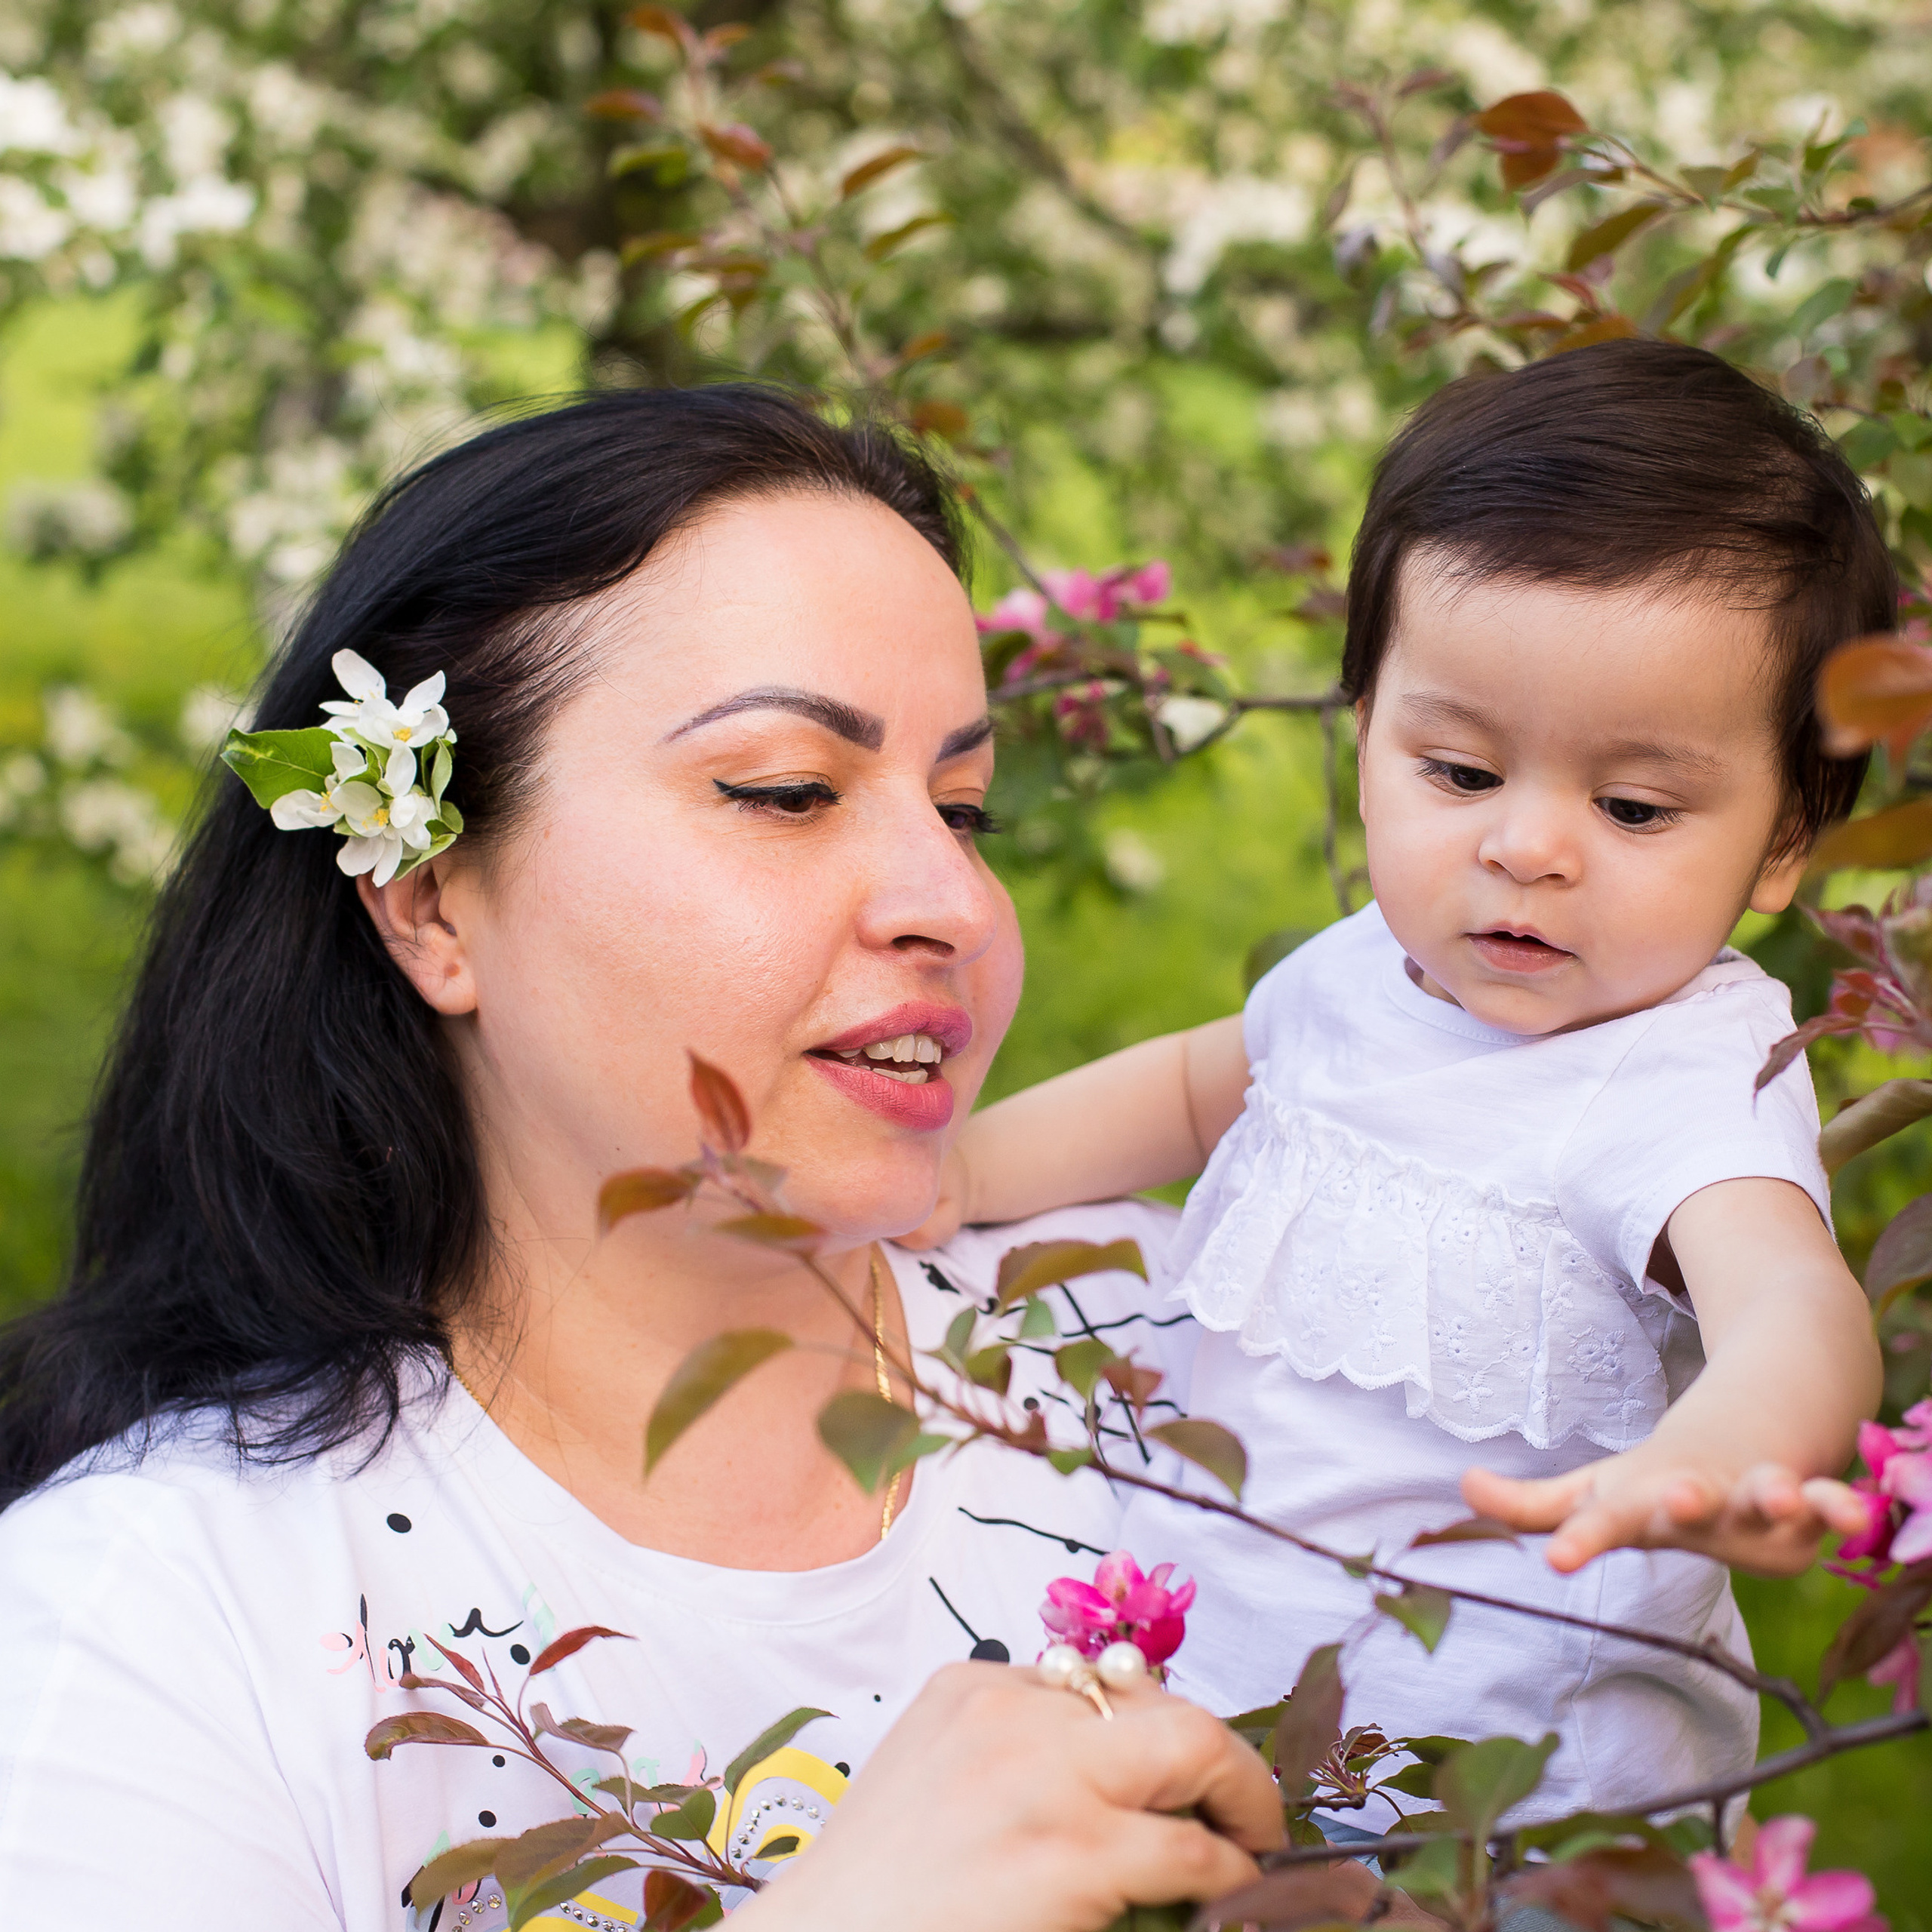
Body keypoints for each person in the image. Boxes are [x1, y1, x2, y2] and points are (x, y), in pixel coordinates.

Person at [0, 387, 1284, 1929]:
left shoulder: (1206, 1341)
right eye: (787, 791)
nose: (946, 895)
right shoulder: (157, 1619)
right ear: (429, 900)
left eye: (963, 805)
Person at [906, 340, 1890, 1823]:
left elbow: (1788, 1300)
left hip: (1525, 1792)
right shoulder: (1366, 967)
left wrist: (1712, 1457)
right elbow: (1189, 1090)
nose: (1524, 846)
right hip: (1233, 1702)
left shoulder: (1685, 1068)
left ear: (1779, 840)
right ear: (1365, 725)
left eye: (1629, 805)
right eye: (1458, 771)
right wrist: (951, 1175)